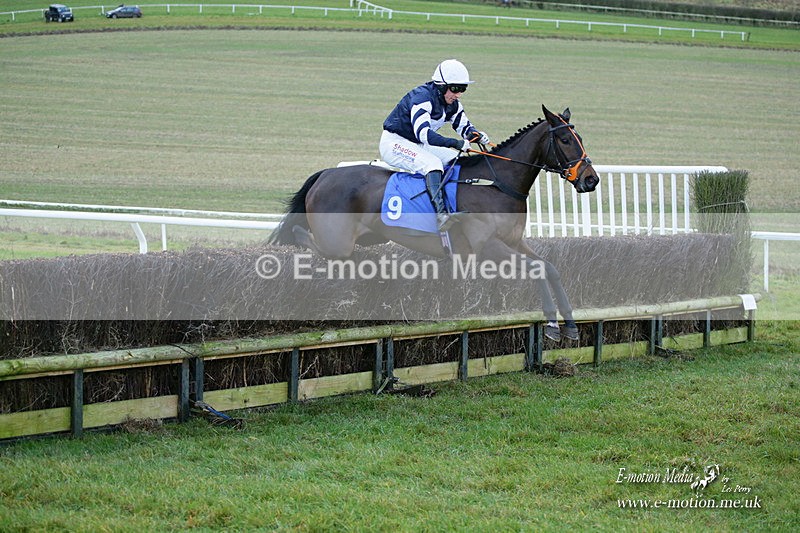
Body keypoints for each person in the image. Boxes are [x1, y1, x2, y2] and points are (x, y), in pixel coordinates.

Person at [380, 59, 490, 231]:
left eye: (463, 89)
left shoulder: (452, 104)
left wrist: (477, 135)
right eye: (455, 88)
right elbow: (423, 134)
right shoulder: (422, 98)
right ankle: (441, 215)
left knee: (456, 159)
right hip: (395, 143)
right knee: (433, 164)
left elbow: (464, 127)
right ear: (441, 86)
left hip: (417, 144)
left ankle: (454, 204)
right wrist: (455, 143)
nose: (458, 94)